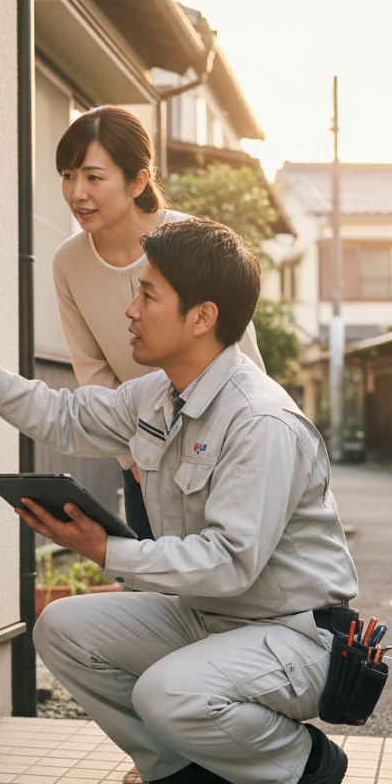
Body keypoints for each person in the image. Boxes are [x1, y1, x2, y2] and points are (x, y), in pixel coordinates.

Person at [0, 217, 358, 784]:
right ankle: (191, 772)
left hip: (292, 635)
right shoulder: (159, 393)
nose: (130, 309)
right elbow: (66, 416)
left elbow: (231, 561)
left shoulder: (260, 422)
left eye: (148, 296)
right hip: (209, 618)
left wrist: (105, 549)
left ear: (201, 318)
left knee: (167, 692)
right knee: (62, 626)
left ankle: (304, 767)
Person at [53, 105, 265, 540]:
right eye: (68, 175)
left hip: (219, 444)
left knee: (228, 581)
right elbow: (91, 371)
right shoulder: (68, 262)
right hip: (141, 451)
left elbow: (242, 355)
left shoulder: (191, 241)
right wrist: (133, 455)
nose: (77, 193)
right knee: (153, 590)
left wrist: (249, 441)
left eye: (94, 177)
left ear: (137, 180)